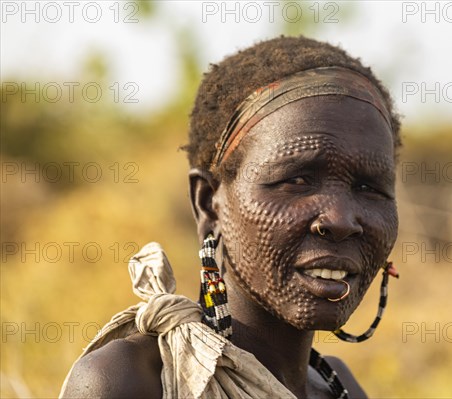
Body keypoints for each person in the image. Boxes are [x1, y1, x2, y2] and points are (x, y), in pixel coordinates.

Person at [60, 36, 401, 399]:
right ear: (209, 204)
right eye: (297, 180)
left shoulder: (339, 387)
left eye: (369, 188)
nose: (341, 220)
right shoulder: (132, 380)